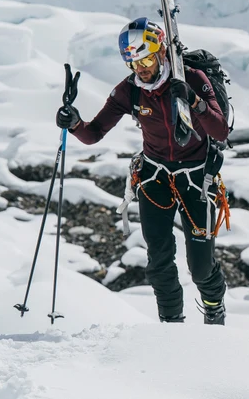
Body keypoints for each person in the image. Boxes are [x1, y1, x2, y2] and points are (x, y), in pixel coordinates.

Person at [55, 17, 230, 325]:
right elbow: (94, 133)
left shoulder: (192, 77)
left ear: (161, 51)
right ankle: (171, 327)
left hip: (197, 179)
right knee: (159, 262)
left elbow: (220, 130)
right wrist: (74, 123)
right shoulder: (130, 91)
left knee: (201, 267)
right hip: (154, 178)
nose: (142, 69)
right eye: (134, 63)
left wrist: (193, 100)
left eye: (147, 59)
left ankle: (214, 309)